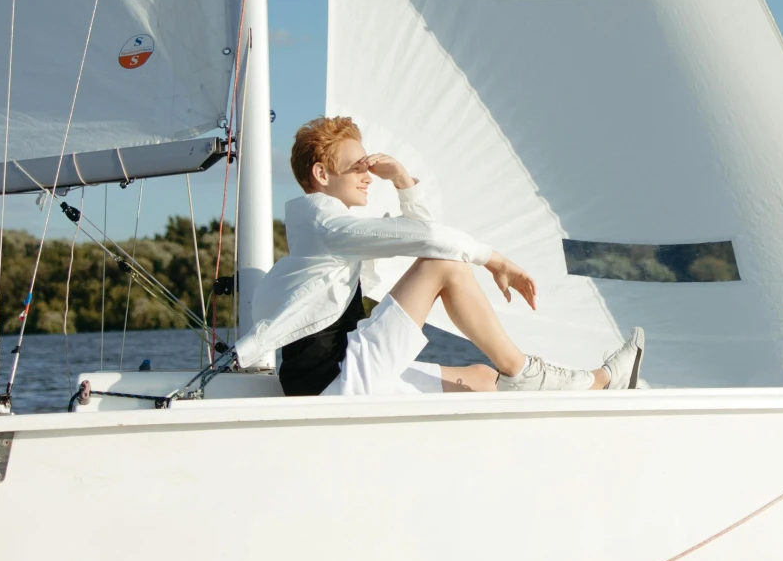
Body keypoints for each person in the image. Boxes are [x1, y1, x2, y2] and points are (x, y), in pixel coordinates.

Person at [233, 116, 644, 397]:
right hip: (336, 380)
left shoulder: (322, 230)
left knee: (483, 379)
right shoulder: (328, 227)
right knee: (444, 264)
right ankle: (527, 373)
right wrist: (496, 261)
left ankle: (602, 381)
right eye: (357, 167)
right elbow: (431, 241)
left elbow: (425, 233)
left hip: (337, 373)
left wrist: (403, 180)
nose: (367, 176)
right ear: (322, 175)